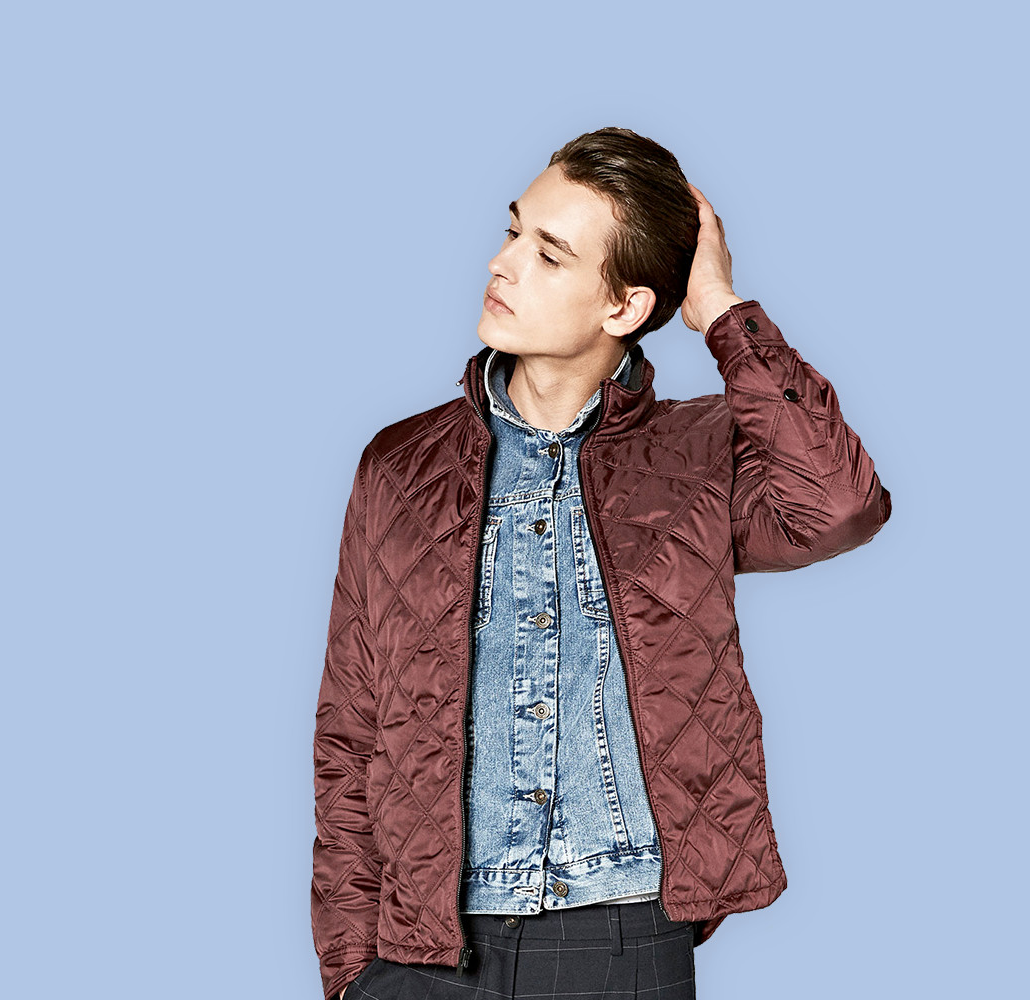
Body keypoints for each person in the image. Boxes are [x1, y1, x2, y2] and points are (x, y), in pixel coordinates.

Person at [310, 127, 891, 1000]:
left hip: (619, 937)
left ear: (622, 307)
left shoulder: (696, 458)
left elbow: (838, 505)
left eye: (548, 255)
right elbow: (349, 730)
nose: (502, 264)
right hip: (423, 948)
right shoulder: (399, 467)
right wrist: (352, 972)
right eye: (513, 231)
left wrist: (721, 311)